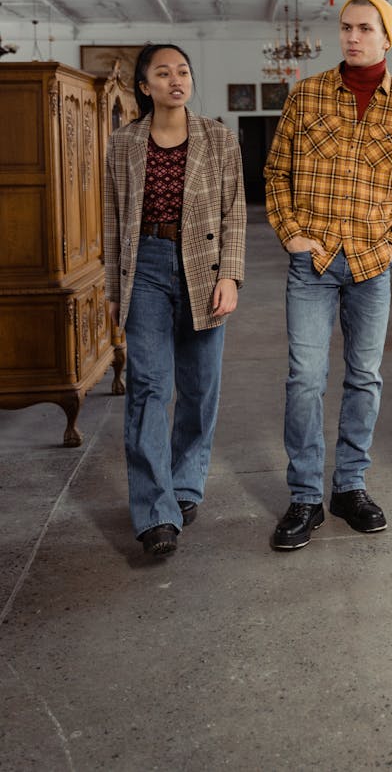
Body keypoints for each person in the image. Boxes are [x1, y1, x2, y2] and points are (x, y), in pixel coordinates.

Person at [265, 0, 392, 551]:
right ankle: (306, 497)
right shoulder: (306, 95)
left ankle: (350, 487)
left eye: (364, 28)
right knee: (305, 379)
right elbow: (275, 173)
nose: (352, 37)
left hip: (370, 265)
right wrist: (291, 234)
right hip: (311, 263)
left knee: (365, 377)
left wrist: (391, 249)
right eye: (345, 27)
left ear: (386, 38)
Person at [104, 43, 246, 558]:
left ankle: (184, 486)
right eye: (162, 73)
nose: (175, 80)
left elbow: (235, 211)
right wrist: (114, 289)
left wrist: (230, 275)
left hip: (203, 268)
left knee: (200, 388)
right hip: (144, 267)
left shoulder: (217, 137)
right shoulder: (123, 143)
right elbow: (112, 219)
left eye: (182, 71)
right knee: (147, 387)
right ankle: (155, 511)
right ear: (145, 87)